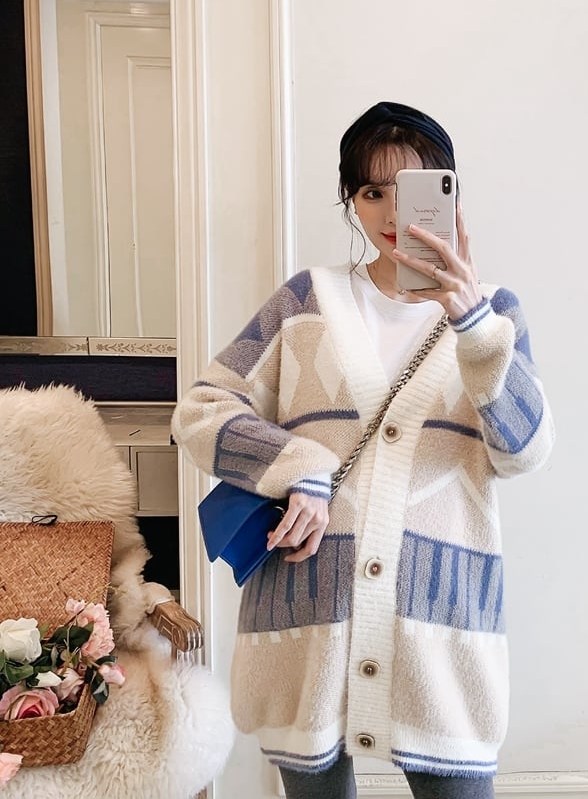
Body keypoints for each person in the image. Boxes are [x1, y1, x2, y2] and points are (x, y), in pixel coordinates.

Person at [171, 100, 555, 799]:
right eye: (372, 192)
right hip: (310, 618)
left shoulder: (494, 313)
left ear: (449, 193)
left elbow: (524, 449)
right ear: (351, 198)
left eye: (411, 189)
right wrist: (300, 467)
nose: (391, 212)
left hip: (439, 629)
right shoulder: (305, 302)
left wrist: (470, 322)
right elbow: (201, 410)